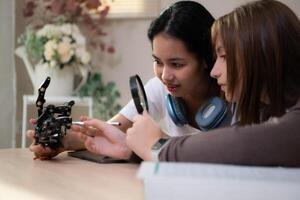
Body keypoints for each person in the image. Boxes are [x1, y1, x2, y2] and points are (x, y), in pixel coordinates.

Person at [27, 1, 224, 160]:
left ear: (207, 58)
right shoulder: (161, 87)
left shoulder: (235, 93)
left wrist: (157, 141)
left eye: (177, 64)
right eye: (158, 62)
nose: (165, 75)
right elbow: (113, 129)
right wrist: (65, 140)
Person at [123, 0, 300, 166]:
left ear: (262, 58)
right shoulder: (268, 112)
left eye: (224, 56)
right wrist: (131, 150)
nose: (214, 72)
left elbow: (239, 144)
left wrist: (157, 145)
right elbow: (221, 153)